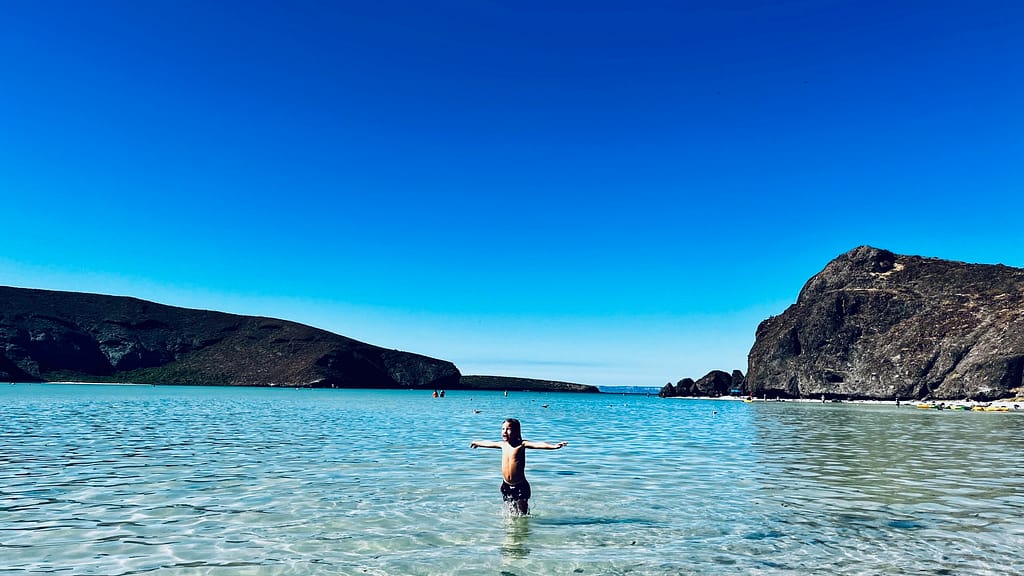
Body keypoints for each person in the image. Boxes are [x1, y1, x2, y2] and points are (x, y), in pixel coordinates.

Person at [470, 418, 567, 516]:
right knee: (510, 514)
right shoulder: (502, 445)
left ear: (516, 431)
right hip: (506, 485)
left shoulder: (522, 444)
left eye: (508, 429)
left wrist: (554, 446)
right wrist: (477, 443)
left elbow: (538, 444)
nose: (504, 432)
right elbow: (489, 443)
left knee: (523, 515)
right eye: (503, 429)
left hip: (520, 485)